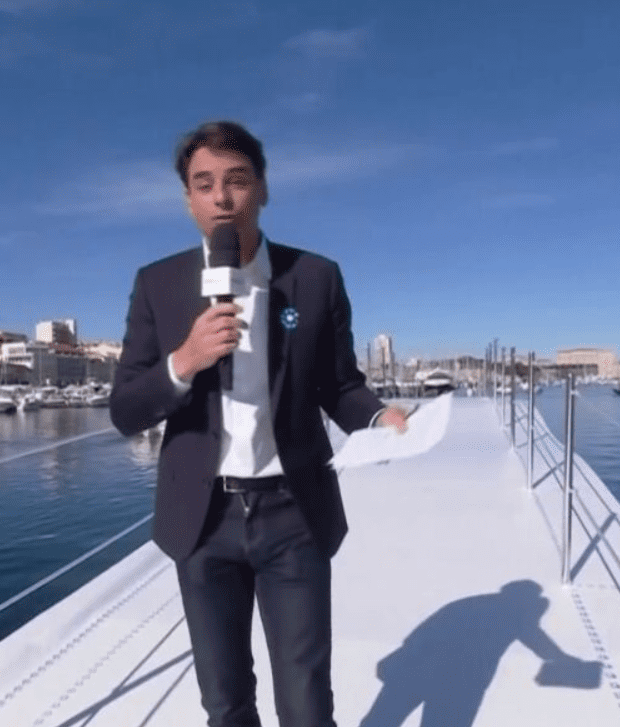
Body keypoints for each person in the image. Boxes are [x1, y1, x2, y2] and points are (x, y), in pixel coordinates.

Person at [109, 120, 408, 727]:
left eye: (237, 180)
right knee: (225, 705)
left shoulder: (315, 278)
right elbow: (126, 409)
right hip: (203, 521)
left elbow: (339, 386)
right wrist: (185, 360)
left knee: (306, 704)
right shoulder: (158, 284)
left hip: (293, 513)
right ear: (188, 200)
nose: (221, 197)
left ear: (263, 189)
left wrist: (380, 416)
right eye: (204, 184)